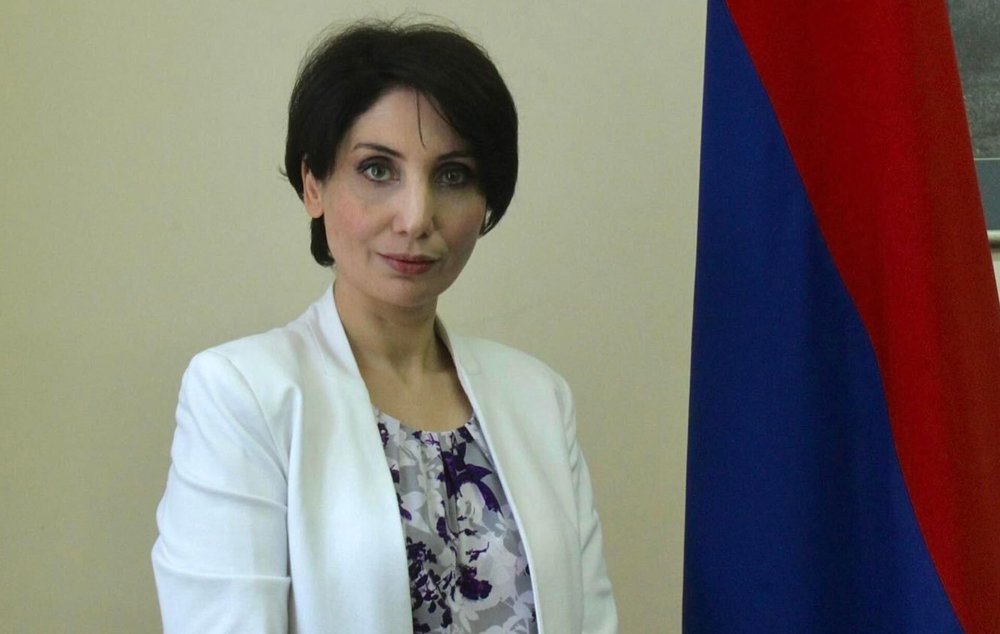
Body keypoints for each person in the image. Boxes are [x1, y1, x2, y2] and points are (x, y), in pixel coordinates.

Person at [151, 18, 617, 634]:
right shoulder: (242, 394)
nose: (416, 217)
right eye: (377, 169)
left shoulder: (539, 397)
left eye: (453, 175)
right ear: (313, 184)